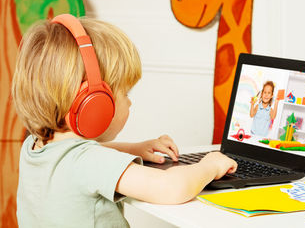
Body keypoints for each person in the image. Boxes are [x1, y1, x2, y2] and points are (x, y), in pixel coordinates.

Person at [12, 14, 237, 228]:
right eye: (125, 94)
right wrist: (210, 165)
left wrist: (134, 148)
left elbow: (79, 154)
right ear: (93, 103)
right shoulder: (89, 162)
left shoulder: (34, 146)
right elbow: (171, 188)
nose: (129, 103)